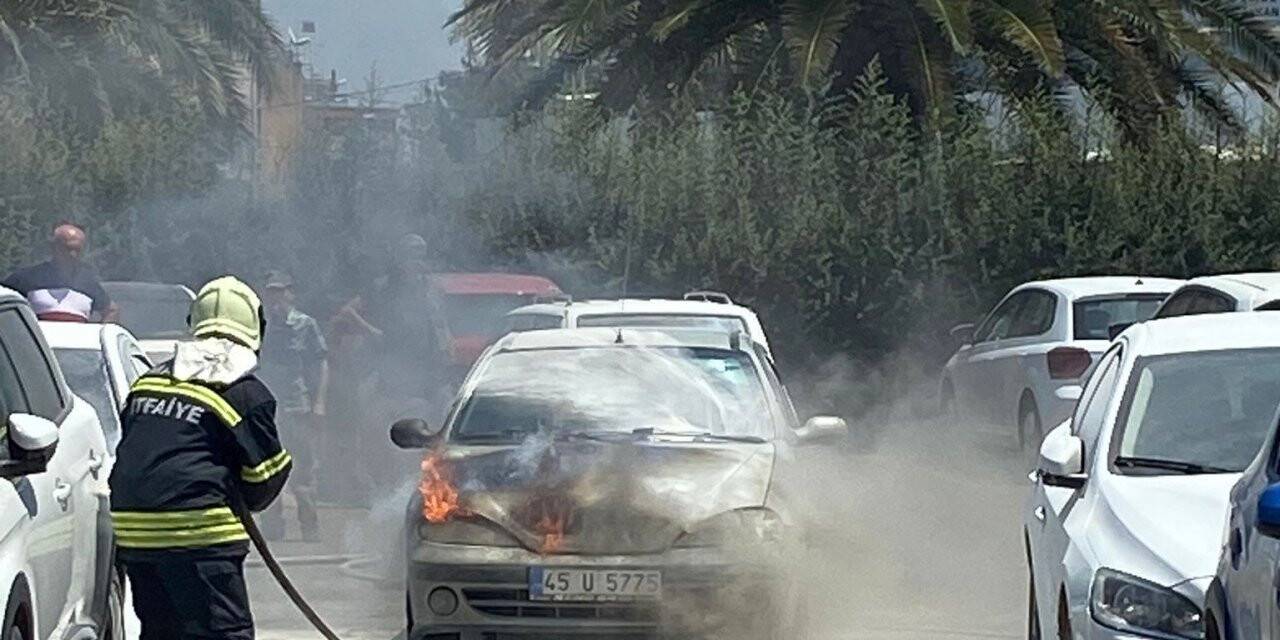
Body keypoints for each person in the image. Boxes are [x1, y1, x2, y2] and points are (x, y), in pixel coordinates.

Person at [110, 276, 291, 640]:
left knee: (161, 633)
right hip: (200, 536)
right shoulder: (245, 393)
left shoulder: (148, 382)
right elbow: (264, 480)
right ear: (256, 328)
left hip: (135, 534)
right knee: (225, 633)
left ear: (194, 322)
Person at [331, 234, 452, 495]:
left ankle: (428, 485)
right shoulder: (383, 288)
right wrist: (374, 333)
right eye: (410, 254)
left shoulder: (430, 287)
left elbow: (439, 322)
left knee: (439, 427)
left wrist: (445, 343)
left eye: (420, 254)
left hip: (428, 372)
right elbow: (347, 312)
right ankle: (389, 487)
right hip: (392, 371)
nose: (415, 260)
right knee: (388, 428)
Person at [257, 270, 329, 542]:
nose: (275, 297)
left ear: (290, 293)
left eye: (280, 291)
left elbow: (320, 363)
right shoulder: (260, 325)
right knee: (267, 467)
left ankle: (309, 526)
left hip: (298, 406)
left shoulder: (305, 325)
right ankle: (273, 528)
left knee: (303, 470)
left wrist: (319, 402)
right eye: (271, 291)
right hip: (267, 408)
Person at [2, 222, 118, 322]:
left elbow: (111, 310)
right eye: (68, 249)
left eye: (77, 250)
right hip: (36, 340)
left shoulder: (88, 284)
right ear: (54, 247)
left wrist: (98, 333)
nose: (73, 255)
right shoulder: (28, 278)